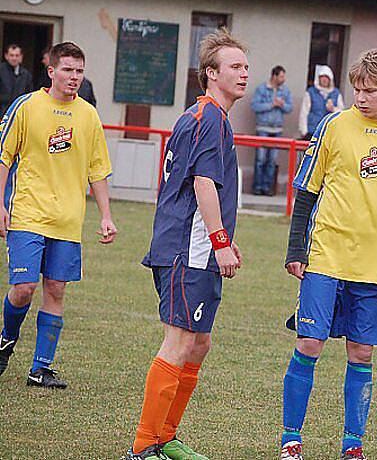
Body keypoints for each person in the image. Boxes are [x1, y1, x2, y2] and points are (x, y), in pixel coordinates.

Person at [280, 49, 377, 460]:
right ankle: (290, 439)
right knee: (310, 343)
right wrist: (296, 247)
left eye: (369, 91)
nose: (360, 98)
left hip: (373, 266)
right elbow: (307, 190)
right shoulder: (333, 125)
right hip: (326, 256)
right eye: (356, 89)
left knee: (361, 352)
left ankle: (353, 446)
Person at [125, 29, 247, 460]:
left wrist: (224, 241)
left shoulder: (209, 118)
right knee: (179, 340)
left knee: (199, 342)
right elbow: (202, 184)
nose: (243, 74)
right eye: (234, 66)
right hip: (187, 251)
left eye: (245, 66)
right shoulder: (208, 118)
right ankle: (143, 446)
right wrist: (219, 242)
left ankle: (165, 437)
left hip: (196, 249)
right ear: (210, 74)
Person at [0, 41, 116, 388]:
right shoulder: (28, 106)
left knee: (56, 289)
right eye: (67, 69)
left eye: (79, 71)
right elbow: (4, 157)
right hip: (27, 214)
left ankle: (41, 368)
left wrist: (106, 216)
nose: (74, 77)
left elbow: (98, 169)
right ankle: (6, 338)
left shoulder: (88, 115)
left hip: (68, 220)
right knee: (23, 288)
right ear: (51, 71)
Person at [251, 65, 293, 195]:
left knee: (272, 160)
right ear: (274, 76)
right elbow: (255, 106)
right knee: (260, 159)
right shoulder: (262, 89)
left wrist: (281, 104)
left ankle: (267, 188)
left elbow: (289, 108)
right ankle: (257, 187)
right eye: (281, 76)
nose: (283, 79)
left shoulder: (285, 91)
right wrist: (271, 104)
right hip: (263, 128)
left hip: (277, 130)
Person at [298, 65, 345, 140]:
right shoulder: (311, 92)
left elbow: (342, 113)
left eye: (327, 77)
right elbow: (304, 112)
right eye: (322, 77)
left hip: (329, 133)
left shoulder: (336, 93)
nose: (324, 80)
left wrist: (333, 109)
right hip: (312, 131)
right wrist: (304, 131)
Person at [0, 44, 33, 118]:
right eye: (11, 55)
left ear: (21, 57)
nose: (14, 58)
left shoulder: (26, 75)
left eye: (17, 55)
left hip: (18, 115)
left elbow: (29, 96)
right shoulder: (1, 71)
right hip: (2, 114)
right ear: (6, 56)